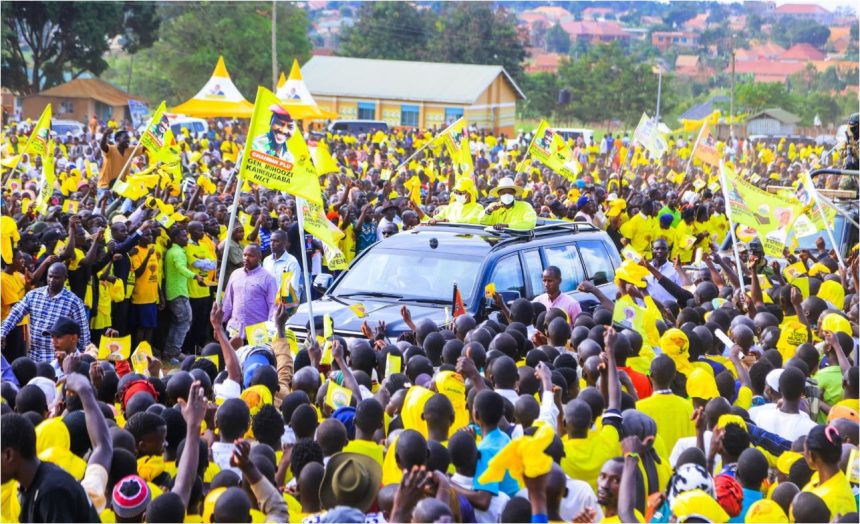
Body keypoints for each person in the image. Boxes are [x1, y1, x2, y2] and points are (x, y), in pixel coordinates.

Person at [1, 262, 90, 362]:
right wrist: (2, 332)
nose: (52, 280)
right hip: (33, 356)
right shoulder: (34, 295)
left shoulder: (74, 302)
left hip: (56, 360)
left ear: (65, 278)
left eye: (56, 278)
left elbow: (83, 334)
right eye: (50, 276)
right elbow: (15, 314)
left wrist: (82, 358)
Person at [163, 227, 205, 365]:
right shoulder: (177, 253)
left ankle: (170, 352)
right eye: (183, 236)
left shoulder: (174, 251)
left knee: (178, 323)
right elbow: (180, 268)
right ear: (175, 238)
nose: (187, 238)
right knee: (185, 321)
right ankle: (174, 352)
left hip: (175, 292)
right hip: (178, 292)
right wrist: (194, 275)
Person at [222, 244, 278, 337]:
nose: (246, 258)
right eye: (244, 255)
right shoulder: (235, 274)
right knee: (232, 351)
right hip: (235, 328)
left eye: (251, 256)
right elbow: (228, 301)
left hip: (258, 330)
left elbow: (273, 305)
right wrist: (220, 322)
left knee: (255, 352)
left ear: (259, 257)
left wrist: (271, 327)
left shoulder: (268, 278)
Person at [261, 229, 301, 300]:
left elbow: (290, 288)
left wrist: (281, 308)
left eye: (276, 241)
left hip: (285, 303)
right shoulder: (266, 261)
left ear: (285, 243)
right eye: (271, 240)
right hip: (269, 302)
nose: (272, 244)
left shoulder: (291, 262)